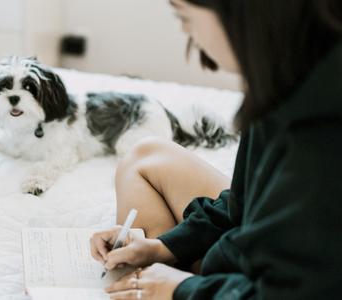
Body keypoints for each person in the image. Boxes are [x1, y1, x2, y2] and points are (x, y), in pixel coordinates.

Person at [89, 0, 342, 299]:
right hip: (265, 253)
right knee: (145, 156)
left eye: (183, 16)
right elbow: (244, 203)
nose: (185, 30)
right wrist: (164, 247)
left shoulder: (321, 137)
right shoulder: (291, 72)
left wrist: (180, 290)